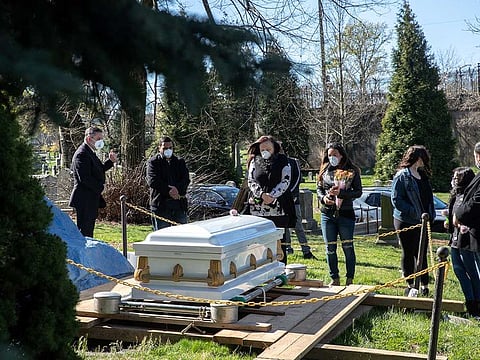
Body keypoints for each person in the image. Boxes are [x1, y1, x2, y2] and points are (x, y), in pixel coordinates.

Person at [391, 145, 435, 297]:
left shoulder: (422, 175)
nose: (425, 161)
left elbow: (428, 198)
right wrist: (414, 212)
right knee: (409, 252)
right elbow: (396, 200)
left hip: (423, 221)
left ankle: (424, 284)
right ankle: (410, 284)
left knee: (422, 252)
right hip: (405, 221)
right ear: (417, 158)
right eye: (423, 158)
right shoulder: (402, 176)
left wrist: (429, 213)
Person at [317, 142, 362, 286]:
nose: (332, 158)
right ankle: (334, 278)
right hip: (327, 214)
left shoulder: (352, 171)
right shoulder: (325, 170)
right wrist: (324, 198)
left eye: (334, 155)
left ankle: (350, 278)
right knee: (330, 248)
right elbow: (319, 189)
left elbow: (358, 191)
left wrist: (342, 193)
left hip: (346, 214)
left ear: (341, 155)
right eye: (329, 155)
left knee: (347, 247)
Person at [247, 135, 296, 265]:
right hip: (258, 210)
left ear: (274, 148)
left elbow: (285, 180)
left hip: (279, 209)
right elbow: (251, 180)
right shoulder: (254, 161)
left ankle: (280, 271)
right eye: (262, 148)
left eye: (268, 148)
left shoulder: (283, 160)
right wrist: (262, 194)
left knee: (279, 244)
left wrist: (273, 195)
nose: (265, 151)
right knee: (258, 245)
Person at [69, 126, 117, 237]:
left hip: (90, 198)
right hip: (84, 198)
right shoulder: (82, 154)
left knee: (89, 230)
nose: (101, 142)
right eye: (98, 138)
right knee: (85, 231)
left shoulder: (90, 152)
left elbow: (98, 169)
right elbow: (84, 178)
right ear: (89, 139)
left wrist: (110, 162)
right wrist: (100, 187)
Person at [446, 167, 480, 317]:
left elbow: (468, 213)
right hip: (454, 240)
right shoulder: (455, 195)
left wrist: (459, 223)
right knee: (459, 271)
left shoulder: (468, 195)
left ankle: (475, 304)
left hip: (467, 241)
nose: (454, 181)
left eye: (457, 178)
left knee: (472, 273)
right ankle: (470, 300)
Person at [146, 136, 190, 230]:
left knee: (182, 235)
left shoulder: (179, 162)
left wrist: (177, 190)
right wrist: (169, 190)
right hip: (161, 206)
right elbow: (153, 181)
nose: (168, 150)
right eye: (165, 148)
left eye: (170, 148)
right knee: (161, 238)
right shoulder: (153, 162)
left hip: (178, 205)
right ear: (159, 148)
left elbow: (186, 179)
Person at [283, 155, 317, 260]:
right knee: (284, 227)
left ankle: (306, 250)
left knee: (298, 225)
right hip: (279, 200)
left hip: (293, 200)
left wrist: (289, 195)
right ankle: (287, 248)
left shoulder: (293, 162)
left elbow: (297, 179)